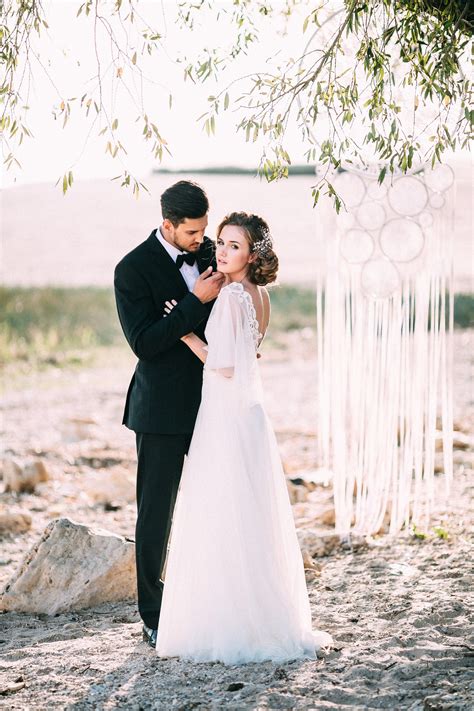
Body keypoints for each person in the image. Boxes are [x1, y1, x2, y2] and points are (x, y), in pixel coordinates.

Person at [155, 211, 333, 665]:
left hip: (227, 413)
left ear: (253, 254)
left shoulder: (233, 294)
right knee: (250, 515)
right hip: (250, 415)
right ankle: (265, 615)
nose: (222, 250)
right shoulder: (261, 295)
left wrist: (186, 334)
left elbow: (227, 364)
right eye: (220, 242)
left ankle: (227, 621)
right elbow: (251, 352)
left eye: (233, 245)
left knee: (222, 512)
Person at [114, 180, 225, 648]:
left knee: (216, 503)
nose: (202, 240)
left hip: (215, 403)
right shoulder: (132, 270)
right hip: (159, 410)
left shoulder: (213, 253)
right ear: (168, 225)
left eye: (204, 231)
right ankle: (153, 613)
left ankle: (210, 596)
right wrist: (193, 303)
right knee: (155, 514)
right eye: (193, 233)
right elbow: (144, 343)